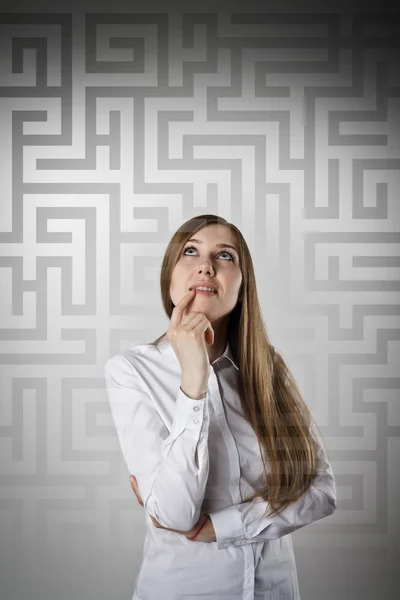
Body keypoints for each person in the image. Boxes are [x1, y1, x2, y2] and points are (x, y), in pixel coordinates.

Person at [104, 214, 337, 600]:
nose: (206, 265)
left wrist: (227, 526)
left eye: (224, 256)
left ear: (242, 287)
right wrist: (193, 383)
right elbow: (175, 514)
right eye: (190, 251)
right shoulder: (131, 371)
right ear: (170, 277)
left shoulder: (269, 368)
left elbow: (322, 492)